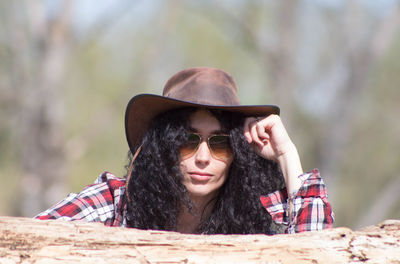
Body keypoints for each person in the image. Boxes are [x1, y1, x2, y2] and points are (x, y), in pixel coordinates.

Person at [35, 67, 334, 234]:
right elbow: (29, 245)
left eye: (220, 143)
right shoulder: (114, 204)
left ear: (238, 155)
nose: (203, 157)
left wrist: (286, 154)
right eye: (187, 140)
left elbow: (318, 251)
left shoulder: (257, 216)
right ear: (163, 148)